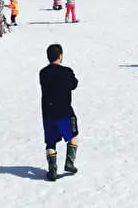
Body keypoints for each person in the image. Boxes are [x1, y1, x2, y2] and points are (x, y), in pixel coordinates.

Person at [39, 43, 79, 182]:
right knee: (73, 136)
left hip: (48, 113)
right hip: (65, 112)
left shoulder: (43, 73)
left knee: (50, 143)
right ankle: (69, 162)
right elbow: (74, 84)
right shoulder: (67, 71)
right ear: (60, 56)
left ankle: (52, 169)